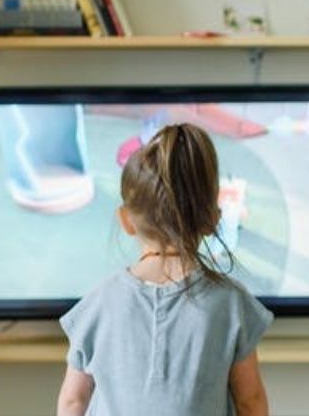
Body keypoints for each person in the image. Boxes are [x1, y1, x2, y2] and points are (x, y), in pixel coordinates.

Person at [56, 123, 273, 416]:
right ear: (212, 219)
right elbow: (250, 401)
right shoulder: (231, 305)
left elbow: (73, 401)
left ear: (127, 221)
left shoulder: (98, 305)